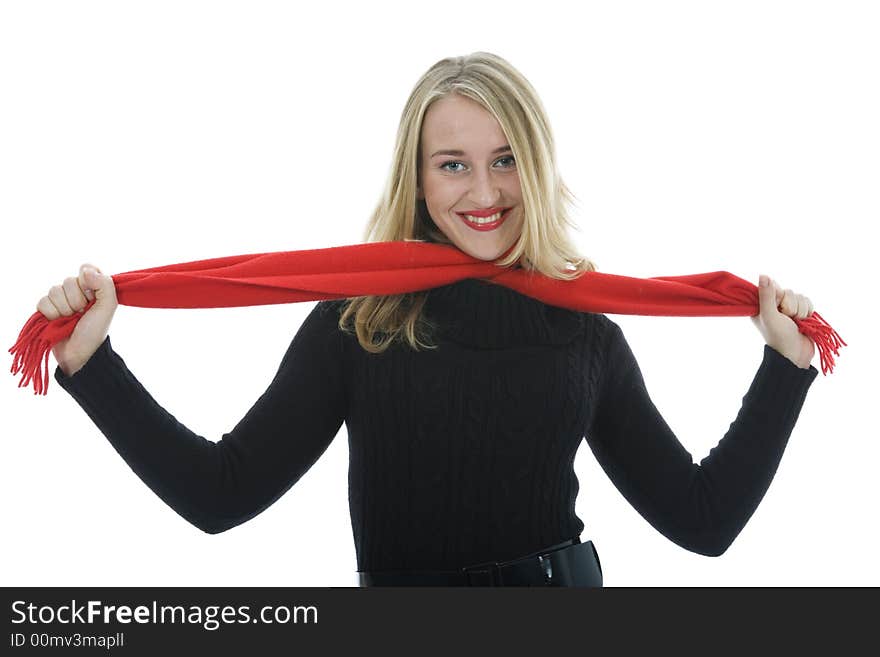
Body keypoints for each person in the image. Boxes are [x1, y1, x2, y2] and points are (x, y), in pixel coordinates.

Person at [36, 52, 819, 587]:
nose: (484, 191)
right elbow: (220, 494)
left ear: (537, 168)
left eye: (506, 159)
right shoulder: (360, 321)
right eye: (454, 164)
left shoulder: (585, 331)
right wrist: (93, 365)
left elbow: (703, 519)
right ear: (417, 177)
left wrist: (785, 368)